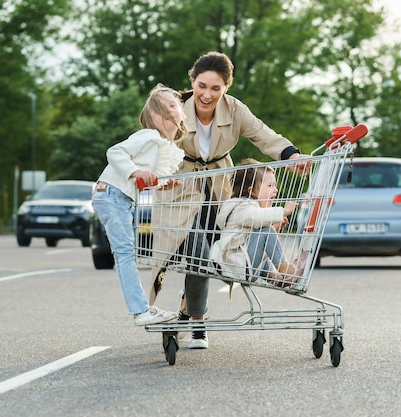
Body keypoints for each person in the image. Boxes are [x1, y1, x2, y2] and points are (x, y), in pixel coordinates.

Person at [148, 51, 311, 349]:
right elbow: (154, 144)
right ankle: (198, 320)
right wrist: (154, 172)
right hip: (180, 188)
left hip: (220, 186)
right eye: (201, 86)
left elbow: (262, 134)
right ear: (192, 81)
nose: (206, 94)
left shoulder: (235, 110)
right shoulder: (175, 110)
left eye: (215, 88)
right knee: (197, 252)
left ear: (226, 88)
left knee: (218, 252)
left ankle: (188, 309)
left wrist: (292, 154)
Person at [92, 83, 186, 326]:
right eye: (170, 107)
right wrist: (134, 171)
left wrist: (162, 185)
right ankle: (140, 311)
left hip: (119, 197)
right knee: (124, 254)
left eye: (176, 106)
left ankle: (142, 309)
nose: (176, 111)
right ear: (156, 115)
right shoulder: (149, 136)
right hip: (111, 194)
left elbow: (145, 180)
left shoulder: (161, 145)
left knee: (126, 253)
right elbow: (115, 152)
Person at [211, 159, 309, 286]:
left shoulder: (245, 208)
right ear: (252, 190)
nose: (276, 190)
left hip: (242, 263)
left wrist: (276, 226)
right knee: (266, 231)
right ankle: (287, 271)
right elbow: (256, 216)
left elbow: (259, 240)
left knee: (265, 235)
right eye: (270, 185)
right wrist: (283, 211)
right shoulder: (241, 206)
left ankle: (276, 278)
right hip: (238, 265)